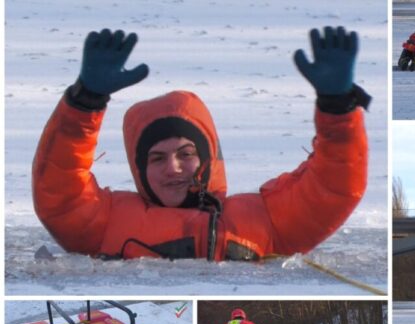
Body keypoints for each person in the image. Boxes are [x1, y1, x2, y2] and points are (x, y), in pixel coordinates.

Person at [32, 27, 370, 262]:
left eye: (186, 154)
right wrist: (84, 104)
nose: (173, 168)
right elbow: (59, 191)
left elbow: (333, 186)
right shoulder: (106, 221)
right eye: (156, 158)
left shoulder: (266, 218)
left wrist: (337, 109)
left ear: (209, 157)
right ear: (140, 169)